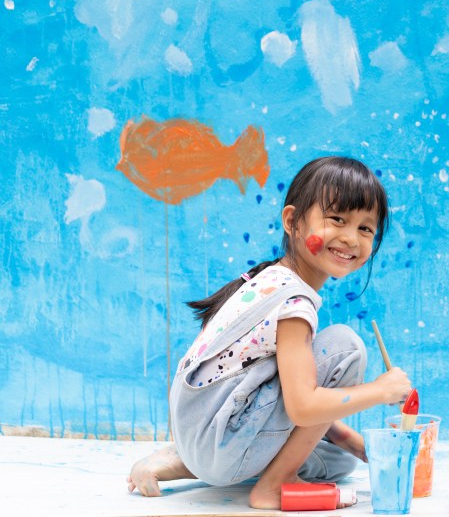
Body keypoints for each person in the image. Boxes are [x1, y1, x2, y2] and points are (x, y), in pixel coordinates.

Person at [126, 156, 412, 509]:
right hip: (222, 441)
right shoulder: (294, 302)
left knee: (340, 460)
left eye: (366, 229)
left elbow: (281, 397)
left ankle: (182, 463)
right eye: (337, 219)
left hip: (205, 436)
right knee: (346, 348)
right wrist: (381, 391)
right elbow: (303, 407)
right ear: (292, 221)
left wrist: (357, 444)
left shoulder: (270, 280)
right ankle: (273, 487)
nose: (351, 238)